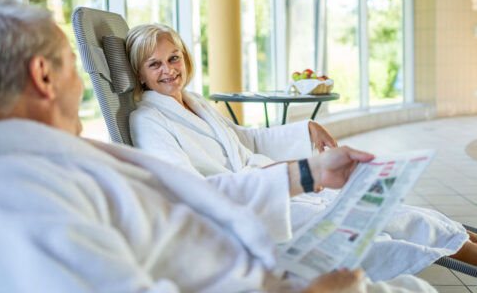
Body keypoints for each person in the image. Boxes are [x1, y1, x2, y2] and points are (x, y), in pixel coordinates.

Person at [0, 2, 439, 292]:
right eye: (71, 69)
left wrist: (309, 173)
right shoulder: (20, 201)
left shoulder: (59, 158)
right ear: (43, 76)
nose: (83, 84)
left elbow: (191, 193)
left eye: (174, 57)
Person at [126, 22, 477, 281]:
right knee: (387, 224)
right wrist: (280, 178)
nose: (169, 70)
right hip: (257, 211)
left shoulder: (194, 103)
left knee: (397, 209)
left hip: (278, 191)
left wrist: (304, 129)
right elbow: (189, 191)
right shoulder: (149, 121)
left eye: (173, 58)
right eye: (154, 64)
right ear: (140, 75)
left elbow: (245, 141)